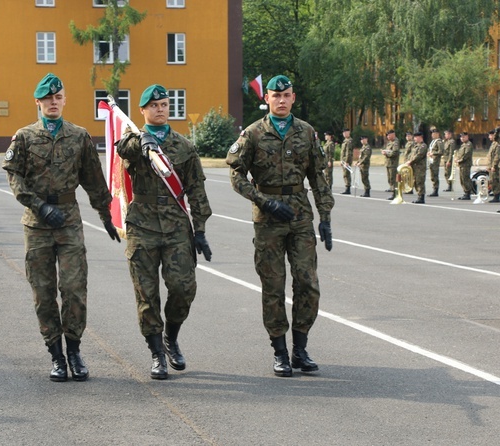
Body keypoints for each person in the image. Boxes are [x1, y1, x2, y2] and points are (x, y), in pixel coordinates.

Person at [2, 73, 120, 382]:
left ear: (65, 100)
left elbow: (94, 180)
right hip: (37, 223)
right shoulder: (24, 137)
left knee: (74, 289)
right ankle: (55, 354)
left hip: (68, 221)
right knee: (43, 293)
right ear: (38, 102)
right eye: (47, 98)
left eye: (58, 97)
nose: (53, 102)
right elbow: (14, 178)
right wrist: (39, 206)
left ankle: (75, 351)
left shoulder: (79, 136)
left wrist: (106, 216)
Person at [226, 75, 334, 377]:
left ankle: (300, 348)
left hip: (300, 215)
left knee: (307, 284)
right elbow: (236, 176)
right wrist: (263, 201)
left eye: (287, 95)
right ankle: (280, 351)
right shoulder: (253, 134)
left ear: (293, 97)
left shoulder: (306, 132)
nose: (282, 100)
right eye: (276, 95)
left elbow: (318, 176)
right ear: (268, 99)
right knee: (273, 286)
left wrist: (325, 216)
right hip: (268, 218)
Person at [117, 84, 212, 380]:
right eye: (154, 105)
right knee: (146, 294)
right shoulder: (132, 140)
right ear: (143, 110)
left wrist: (200, 230)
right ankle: (157, 352)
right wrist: (142, 141)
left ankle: (171, 335)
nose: (160, 109)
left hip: (175, 228)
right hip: (142, 226)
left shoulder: (183, 146)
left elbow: (196, 189)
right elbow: (123, 149)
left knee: (184, 288)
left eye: (164, 104)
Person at [406, 132, 427, 204]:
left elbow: (419, 155)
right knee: (415, 182)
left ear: (420, 137)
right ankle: (419, 196)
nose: (414, 139)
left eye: (415, 137)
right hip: (414, 167)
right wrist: (408, 161)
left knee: (420, 182)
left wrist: (410, 161)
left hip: (420, 168)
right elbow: (411, 155)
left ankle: (421, 197)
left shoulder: (423, 146)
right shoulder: (415, 146)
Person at [381, 129, 400, 199]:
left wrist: (386, 153)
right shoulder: (390, 143)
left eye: (389, 135)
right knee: (390, 179)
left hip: (393, 164)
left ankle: (395, 194)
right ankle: (393, 192)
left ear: (393, 135)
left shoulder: (395, 142)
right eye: (387, 135)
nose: (387, 137)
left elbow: (395, 152)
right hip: (388, 163)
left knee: (393, 179)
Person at [454, 132, 474, 200]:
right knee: (462, 179)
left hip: (466, 164)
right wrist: (457, 158)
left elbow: (466, 154)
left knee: (465, 178)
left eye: (463, 137)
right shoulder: (463, 145)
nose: (462, 138)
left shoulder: (468, 144)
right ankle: (465, 192)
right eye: (461, 137)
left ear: (467, 137)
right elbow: (460, 154)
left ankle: (468, 193)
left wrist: (459, 160)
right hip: (462, 164)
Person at [485, 128, 500, 203]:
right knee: (492, 181)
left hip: (495, 167)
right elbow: (490, 156)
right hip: (491, 166)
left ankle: (497, 196)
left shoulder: (497, 144)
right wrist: (488, 166)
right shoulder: (493, 144)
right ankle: (495, 194)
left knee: (495, 181)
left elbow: (497, 156)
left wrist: (494, 166)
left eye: (490, 135)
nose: (489, 137)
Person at [427, 128, 444, 197]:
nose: (432, 135)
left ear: (437, 134)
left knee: (435, 175)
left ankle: (435, 190)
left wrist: (433, 153)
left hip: (435, 161)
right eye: (432, 134)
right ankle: (434, 188)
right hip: (431, 160)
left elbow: (441, 151)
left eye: (434, 134)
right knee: (432, 176)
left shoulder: (439, 142)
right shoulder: (433, 141)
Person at [340, 128, 353, 194]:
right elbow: (343, 152)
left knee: (346, 174)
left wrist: (347, 161)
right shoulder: (345, 141)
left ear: (349, 133)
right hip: (344, 160)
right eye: (343, 132)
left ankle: (348, 188)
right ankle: (347, 187)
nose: (344, 134)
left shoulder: (349, 141)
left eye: (346, 132)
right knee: (345, 174)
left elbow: (348, 152)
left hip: (346, 161)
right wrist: (341, 161)